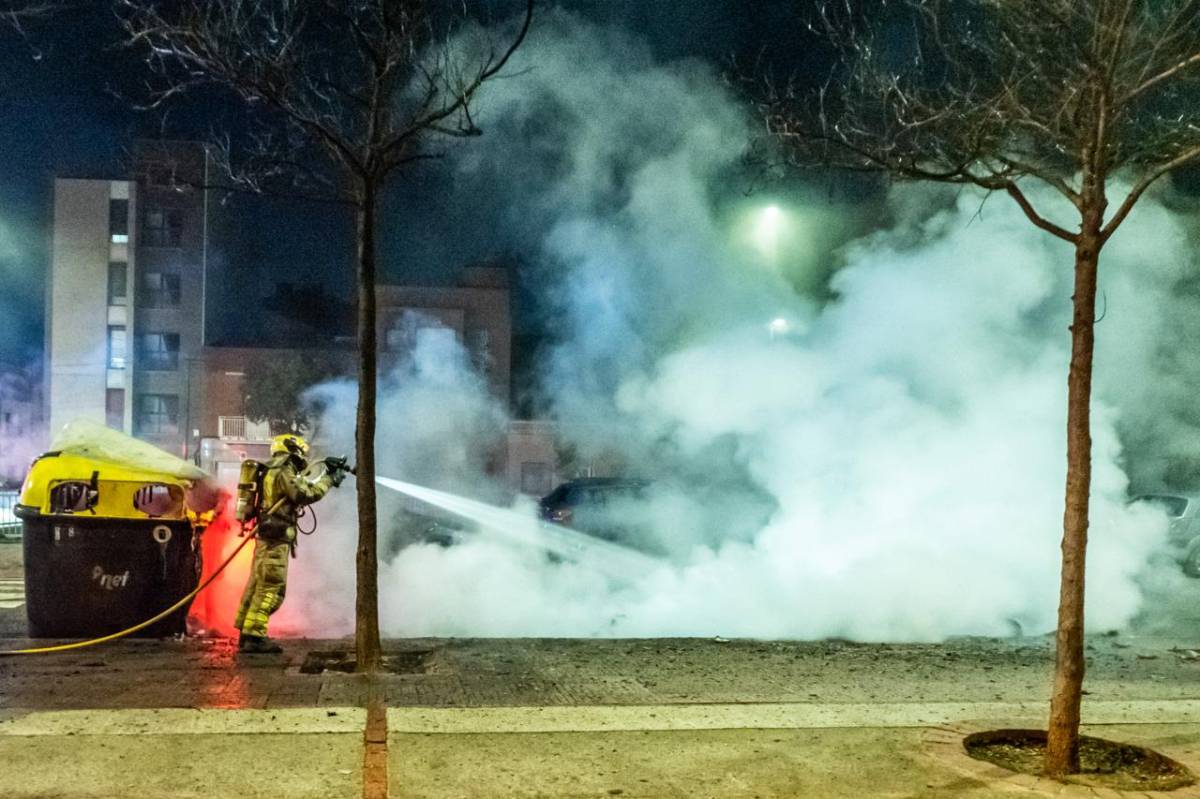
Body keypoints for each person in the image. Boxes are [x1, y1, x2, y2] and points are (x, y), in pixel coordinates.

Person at [234, 433, 347, 653]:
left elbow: (299, 485)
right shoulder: (283, 469)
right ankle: (255, 638)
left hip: (267, 537)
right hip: (276, 539)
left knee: (257, 584)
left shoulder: (273, 469)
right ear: (293, 450)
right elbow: (304, 493)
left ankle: (246, 633)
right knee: (271, 586)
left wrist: (325, 472)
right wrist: (329, 480)